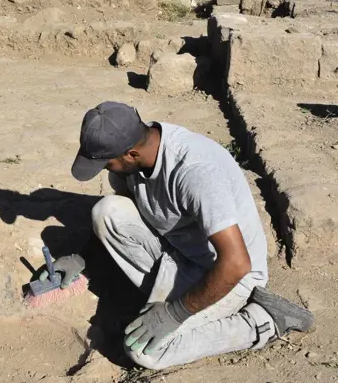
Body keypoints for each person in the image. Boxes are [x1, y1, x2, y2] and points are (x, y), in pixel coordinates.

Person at [63, 101, 313, 371]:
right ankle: (167, 298)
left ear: (131, 153)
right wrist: (82, 258)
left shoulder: (196, 172)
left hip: (229, 276)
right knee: (106, 211)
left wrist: (175, 313)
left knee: (146, 352)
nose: (105, 169)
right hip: (179, 252)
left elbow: (237, 264)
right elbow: (125, 208)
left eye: (106, 163)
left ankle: (261, 322)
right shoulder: (142, 148)